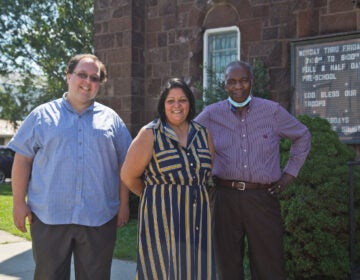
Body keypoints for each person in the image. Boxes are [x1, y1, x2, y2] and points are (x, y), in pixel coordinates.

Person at [8, 53, 132, 280]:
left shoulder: (112, 120)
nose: (88, 82)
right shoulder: (41, 116)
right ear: (68, 76)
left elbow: (125, 163)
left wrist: (124, 204)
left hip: (99, 218)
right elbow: (22, 159)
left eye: (95, 78)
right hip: (49, 216)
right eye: (82, 75)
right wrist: (18, 203)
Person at [194, 60, 311, 279]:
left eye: (243, 81)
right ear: (224, 85)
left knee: (269, 265)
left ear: (252, 82)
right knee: (227, 265)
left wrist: (288, 175)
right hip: (224, 198)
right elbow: (188, 140)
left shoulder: (272, 111)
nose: (238, 87)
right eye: (232, 82)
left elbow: (302, 135)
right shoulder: (211, 114)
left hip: (263, 198)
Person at [120, 78, 216, 279]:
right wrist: (155, 197)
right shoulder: (150, 133)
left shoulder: (203, 134)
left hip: (198, 218)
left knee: (197, 270)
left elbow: (206, 174)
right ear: (163, 105)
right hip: (162, 220)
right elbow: (128, 176)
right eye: (170, 101)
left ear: (190, 103)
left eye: (182, 100)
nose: (177, 106)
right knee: (162, 271)